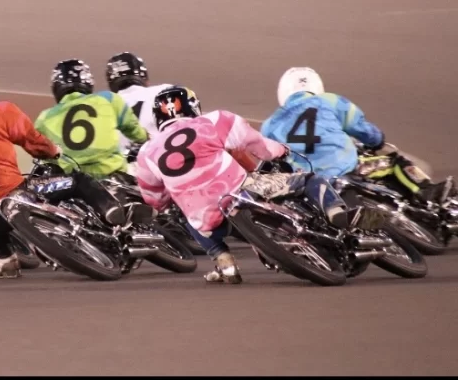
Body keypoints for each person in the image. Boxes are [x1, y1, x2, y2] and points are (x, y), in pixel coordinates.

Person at [135, 85, 358, 284]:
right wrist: (280, 150)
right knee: (310, 179)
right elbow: (256, 143)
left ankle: (223, 261)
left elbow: (153, 198)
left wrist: (166, 201)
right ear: (192, 107)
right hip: (242, 188)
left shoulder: (147, 152)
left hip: (205, 217)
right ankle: (335, 211)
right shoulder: (212, 121)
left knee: (186, 213)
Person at [0, 67, 126, 279]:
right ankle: (111, 210)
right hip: (16, 192)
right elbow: (33, 141)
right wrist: (54, 152)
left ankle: (6, 259)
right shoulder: (2, 111)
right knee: (77, 181)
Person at [262, 67, 453, 204]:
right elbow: (362, 129)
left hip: (310, 181)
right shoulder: (329, 100)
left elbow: (269, 159)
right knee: (394, 161)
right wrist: (377, 141)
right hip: (347, 165)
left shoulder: (269, 124)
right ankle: (426, 190)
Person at [34, 59, 149, 180]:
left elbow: (40, 152)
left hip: (71, 182)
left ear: (56, 87)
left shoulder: (44, 117)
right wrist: (146, 137)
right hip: (113, 177)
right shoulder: (109, 98)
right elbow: (134, 130)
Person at [105, 51, 174, 143]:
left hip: (120, 156)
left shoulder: (103, 104)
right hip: (159, 154)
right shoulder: (164, 90)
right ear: (144, 78)